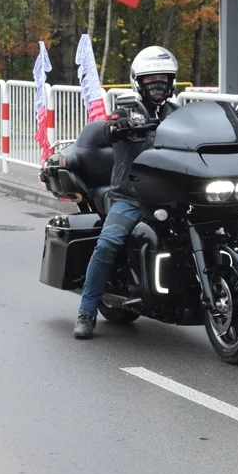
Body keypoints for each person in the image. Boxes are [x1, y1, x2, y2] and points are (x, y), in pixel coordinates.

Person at [73, 46, 180, 340]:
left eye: (164, 78)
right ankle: (86, 312)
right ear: (139, 82)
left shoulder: (177, 113)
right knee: (107, 244)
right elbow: (110, 128)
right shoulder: (127, 107)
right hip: (131, 196)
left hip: (174, 196)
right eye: (151, 79)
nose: (158, 84)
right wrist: (118, 125)